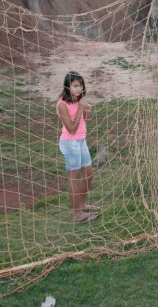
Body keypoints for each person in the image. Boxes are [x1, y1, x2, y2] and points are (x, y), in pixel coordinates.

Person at [56, 71, 100, 222]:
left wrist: (87, 111)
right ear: (67, 87)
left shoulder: (79, 100)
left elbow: (84, 121)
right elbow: (71, 129)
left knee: (89, 174)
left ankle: (81, 205)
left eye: (80, 85)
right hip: (69, 143)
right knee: (74, 178)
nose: (78, 88)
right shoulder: (62, 104)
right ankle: (77, 214)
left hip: (81, 141)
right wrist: (81, 108)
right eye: (75, 86)